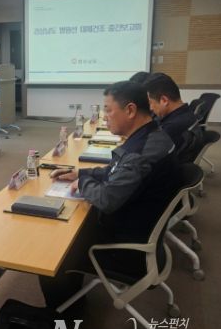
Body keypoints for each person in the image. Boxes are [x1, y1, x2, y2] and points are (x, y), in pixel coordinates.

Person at [39, 81, 178, 311]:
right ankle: (72, 297)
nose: (104, 117)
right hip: (139, 226)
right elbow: (115, 172)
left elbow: (107, 199)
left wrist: (82, 182)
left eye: (108, 110)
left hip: (124, 248)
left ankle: (63, 316)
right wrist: (81, 173)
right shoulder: (151, 136)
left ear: (130, 110)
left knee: (52, 243)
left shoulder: (139, 154)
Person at [144, 72, 198, 148]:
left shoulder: (170, 129)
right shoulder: (187, 113)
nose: (150, 108)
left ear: (164, 100)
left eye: (150, 103)